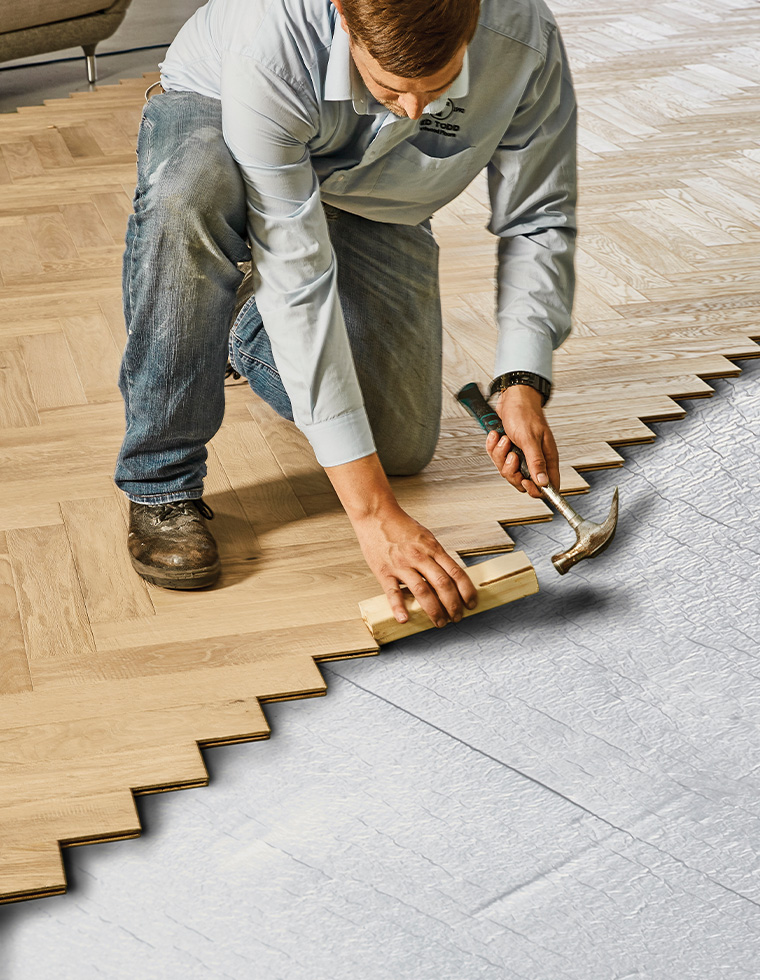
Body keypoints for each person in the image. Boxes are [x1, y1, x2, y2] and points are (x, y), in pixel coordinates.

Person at [115, 0, 576, 630]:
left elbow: (538, 216)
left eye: (438, 88)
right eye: (391, 87)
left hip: (376, 193)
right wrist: (373, 517)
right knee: (188, 191)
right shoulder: (270, 37)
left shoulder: (525, 39)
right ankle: (160, 482)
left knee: (396, 447)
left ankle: (230, 322)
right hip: (229, 115)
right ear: (343, 16)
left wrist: (522, 382)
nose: (414, 111)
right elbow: (297, 277)